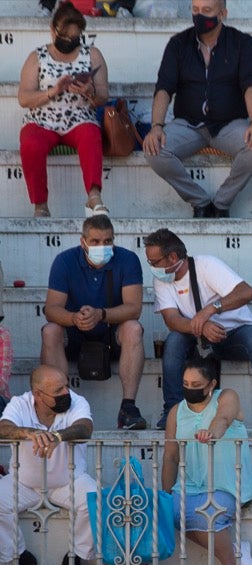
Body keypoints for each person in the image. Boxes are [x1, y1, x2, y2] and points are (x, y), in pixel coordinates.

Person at [145, 228, 252, 430]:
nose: (152, 267)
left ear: (173, 257)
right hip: (196, 336)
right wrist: (202, 327)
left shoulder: (206, 265)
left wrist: (210, 309)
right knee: (174, 340)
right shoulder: (161, 280)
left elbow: (247, 292)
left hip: (234, 332)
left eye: (155, 262)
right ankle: (171, 411)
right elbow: (172, 320)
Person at [144, 0, 252, 216]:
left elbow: (250, 86)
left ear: (223, 13)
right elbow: (163, 88)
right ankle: (200, 202)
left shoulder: (242, 43)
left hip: (228, 124)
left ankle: (221, 203)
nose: (200, 16)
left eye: (207, 11)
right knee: (154, 150)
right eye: (195, 10)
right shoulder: (178, 44)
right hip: (187, 124)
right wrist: (156, 127)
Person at [160, 355, 252, 565]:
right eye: (185, 384)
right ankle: (236, 551)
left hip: (227, 483)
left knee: (204, 513)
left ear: (212, 384)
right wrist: (165, 494)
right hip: (190, 483)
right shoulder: (176, 411)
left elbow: (223, 418)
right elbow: (171, 455)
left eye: (196, 386)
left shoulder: (227, 396)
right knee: (171, 513)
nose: (189, 389)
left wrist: (212, 433)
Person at [41, 215, 147, 431]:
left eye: (108, 241)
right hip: (75, 332)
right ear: (83, 242)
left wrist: (101, 314)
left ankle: (128, 408)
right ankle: (61, 406)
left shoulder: (127, 259)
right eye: (96, 241)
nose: (103, 246)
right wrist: (73, 318)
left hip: (110, 331)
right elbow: (51, 309)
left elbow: (134, 308)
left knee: (133, 328)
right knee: (50, 331)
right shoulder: (65, 261)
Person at [0, 367, 95, 565]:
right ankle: (22, 557)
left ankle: (75, 558)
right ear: (38, 394)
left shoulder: (77, 401)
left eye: (66, 386)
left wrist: (58, 437)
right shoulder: (20, 403)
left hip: (70, 480)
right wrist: (28, 433)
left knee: (95, 500)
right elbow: (3, 427)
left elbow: (85, 428)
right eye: (58, 390)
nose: (66, 393)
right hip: (23, 482)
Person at [17, 4, 107, 219]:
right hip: (42, 120)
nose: (68, 41)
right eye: (64, 36)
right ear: (53, 30)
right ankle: (40, 205)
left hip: (79, 118)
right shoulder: (37, 56)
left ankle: (94, 197)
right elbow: (24, 98)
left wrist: (89, 91)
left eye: (74, 38)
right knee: (31, 143)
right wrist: (53, 91)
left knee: (91, 135)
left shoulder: (92, 54)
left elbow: (103, 95)